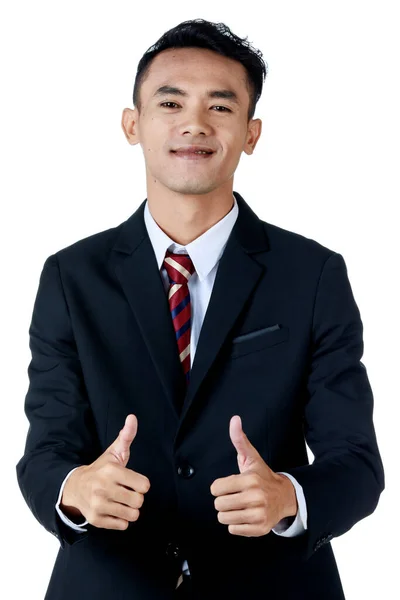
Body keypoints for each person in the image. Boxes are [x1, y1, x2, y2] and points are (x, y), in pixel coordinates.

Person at [16, 17, 385, 600]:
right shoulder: (71, 277)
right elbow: (45, 452)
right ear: (132, 125)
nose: (194, 123)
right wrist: (76, 490)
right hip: (109, 585)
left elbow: (358, 464)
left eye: (220, 106)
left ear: (251, 132)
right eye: (170, 102)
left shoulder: (313, 275)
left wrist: (291, 498)